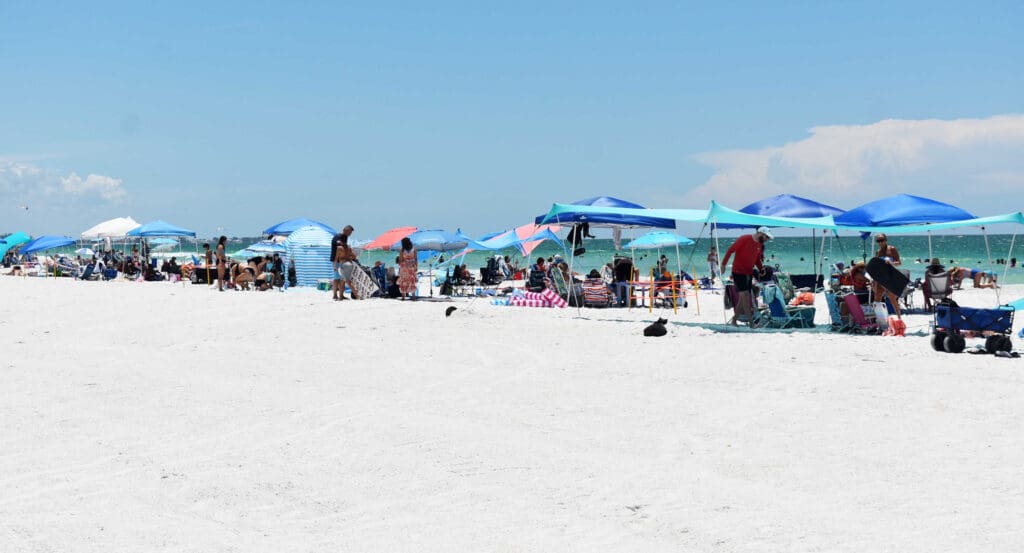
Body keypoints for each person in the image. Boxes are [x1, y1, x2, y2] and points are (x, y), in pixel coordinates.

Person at [720, 226, 772, 324]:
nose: (767, 239)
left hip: (749, 273)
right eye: (766, 237)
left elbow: (757, 259)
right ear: (761, 233)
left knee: (742, 299)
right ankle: (751, 323)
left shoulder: (759, 245)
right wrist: (723, 265)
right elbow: (730, 250)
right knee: (746, 297)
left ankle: (734, 320)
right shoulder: (744, 239)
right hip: (738, 272)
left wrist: (761, 269)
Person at [872, 233, 902, 318]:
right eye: (878, 241)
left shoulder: (892, 249)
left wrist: (891, 263)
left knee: (893, 300)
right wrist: (874, 280)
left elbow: (899, 262)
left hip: (890, 278)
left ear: (886, 240)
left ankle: (899, 318)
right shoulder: (878, 252)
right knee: (877, 300)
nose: (880, 242)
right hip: (880, 278)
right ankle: (880, 320)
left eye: (882, 240)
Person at [331, 225, 354, 300]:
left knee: (342, 278)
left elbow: (345, 248)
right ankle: (335, 295)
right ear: (345, 230)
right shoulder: (337, 236)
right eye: (349, 232)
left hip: (342, 260)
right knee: (336, 278)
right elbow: (340, 246)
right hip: (336, 259)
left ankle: (341, 295)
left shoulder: (345, 237)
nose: (350, 234)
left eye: (351, 233)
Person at [336, 233, 360, 299]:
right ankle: (341, 296)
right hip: (350, 264)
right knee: (342, 281)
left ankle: (357, 296)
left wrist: (335, 266)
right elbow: (354, 256)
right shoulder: (349, 247)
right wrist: (348, 258)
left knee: (348, 281)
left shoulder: (339, 248)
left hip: (343, 265)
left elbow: (336, 258)